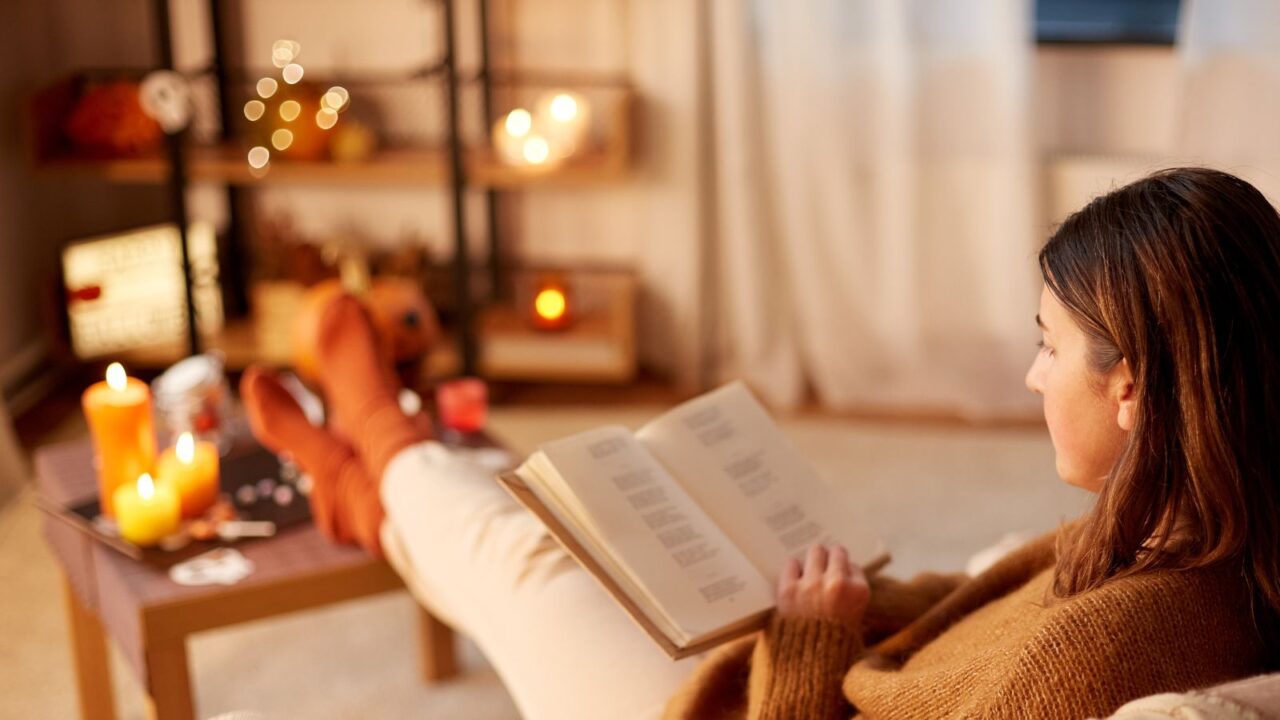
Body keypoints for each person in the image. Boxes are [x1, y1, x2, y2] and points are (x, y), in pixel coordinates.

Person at [241, 167, 1280, 719]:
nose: (1029, 375)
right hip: (838, 647)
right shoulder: (1214, 532)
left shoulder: (1100, 646)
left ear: (1132, 385)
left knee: (519, 560)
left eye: (1046, 347)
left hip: (753, 701)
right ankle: (370, 462)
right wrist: (863, 605)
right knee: (553, 529)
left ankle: (369, 436)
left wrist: (812, 639)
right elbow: (989, 624)